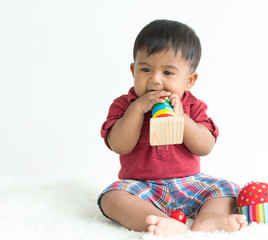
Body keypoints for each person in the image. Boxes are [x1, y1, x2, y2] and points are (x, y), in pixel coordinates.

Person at [98, 19, 247, 237]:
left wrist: (183, 118)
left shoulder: (193, 106)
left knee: (228, 189)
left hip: (189, 184)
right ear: (133, 71)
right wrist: (137, 109)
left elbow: (205, 146)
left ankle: (209, 217)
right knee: (111, 198)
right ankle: (160, 221)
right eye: (146, 69)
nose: (155, 80)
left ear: (189, 81)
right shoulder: (124, 105)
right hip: (142, 188)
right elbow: (119, 145)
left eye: (168, 73)